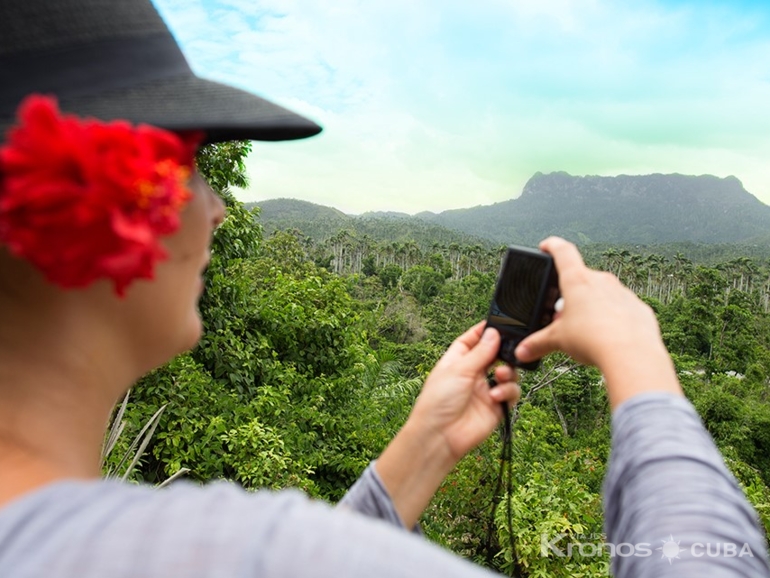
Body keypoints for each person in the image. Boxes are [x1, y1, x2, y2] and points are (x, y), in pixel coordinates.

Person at [0, 2, 767, 578]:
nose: (217, 205)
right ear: (73, 194)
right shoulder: (225, 550)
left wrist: (423, 446)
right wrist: (643, 368)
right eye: (190, 163)